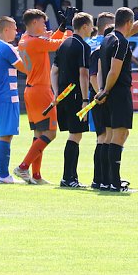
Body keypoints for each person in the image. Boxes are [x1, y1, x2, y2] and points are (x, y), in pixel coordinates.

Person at [95, 1, 138, 191]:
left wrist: (101, 90)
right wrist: (107, 90)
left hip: (107, 92)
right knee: (120, 135)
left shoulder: (107, 39)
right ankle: (114, 183)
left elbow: (102, 69)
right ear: (128, 23)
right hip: (117, 93)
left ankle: (106, 180)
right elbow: (114, 71)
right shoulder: (121, 42)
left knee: (110, 136)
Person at [12, 7, 75, 184]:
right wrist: (69, 27)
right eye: (42, 22)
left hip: (31, 90)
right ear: (34, 23)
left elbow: (50, 41)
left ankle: (36, 175)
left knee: (39, 133)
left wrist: (61, 27)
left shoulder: (25, 40)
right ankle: (23, 167)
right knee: (51, 133)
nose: (44, 25)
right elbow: (62, 44)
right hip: (41, 90)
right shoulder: (34, 42)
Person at [52, 12, 94, 187]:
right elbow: (83, 73)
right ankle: (69, 178)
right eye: (91, 26)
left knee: (73, 135)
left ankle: (69, 177)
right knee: (75, 136)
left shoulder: (63, 44)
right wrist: (85, 100)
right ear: (84, 26)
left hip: (63, 95)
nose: (92, 29)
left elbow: (53, 71)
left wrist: (56, 94)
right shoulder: (83, 46)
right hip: (76, 95)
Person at [0, 16, 27, 184]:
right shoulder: (6, 47)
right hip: (7, 96)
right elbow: (24, 68)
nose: (17, 31)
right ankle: (4, 175)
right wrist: (25, 51)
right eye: (15, 28)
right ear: (5, 29)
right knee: (6, 136)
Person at [89, 12, 115, 189]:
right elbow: (94, 74)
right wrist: (101, 92)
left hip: (94, 95)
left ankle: (98, 179)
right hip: (102, 96)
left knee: (101, 138)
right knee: (107, 137)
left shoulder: (90, 44)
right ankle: (105, 179)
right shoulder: (104, 46)